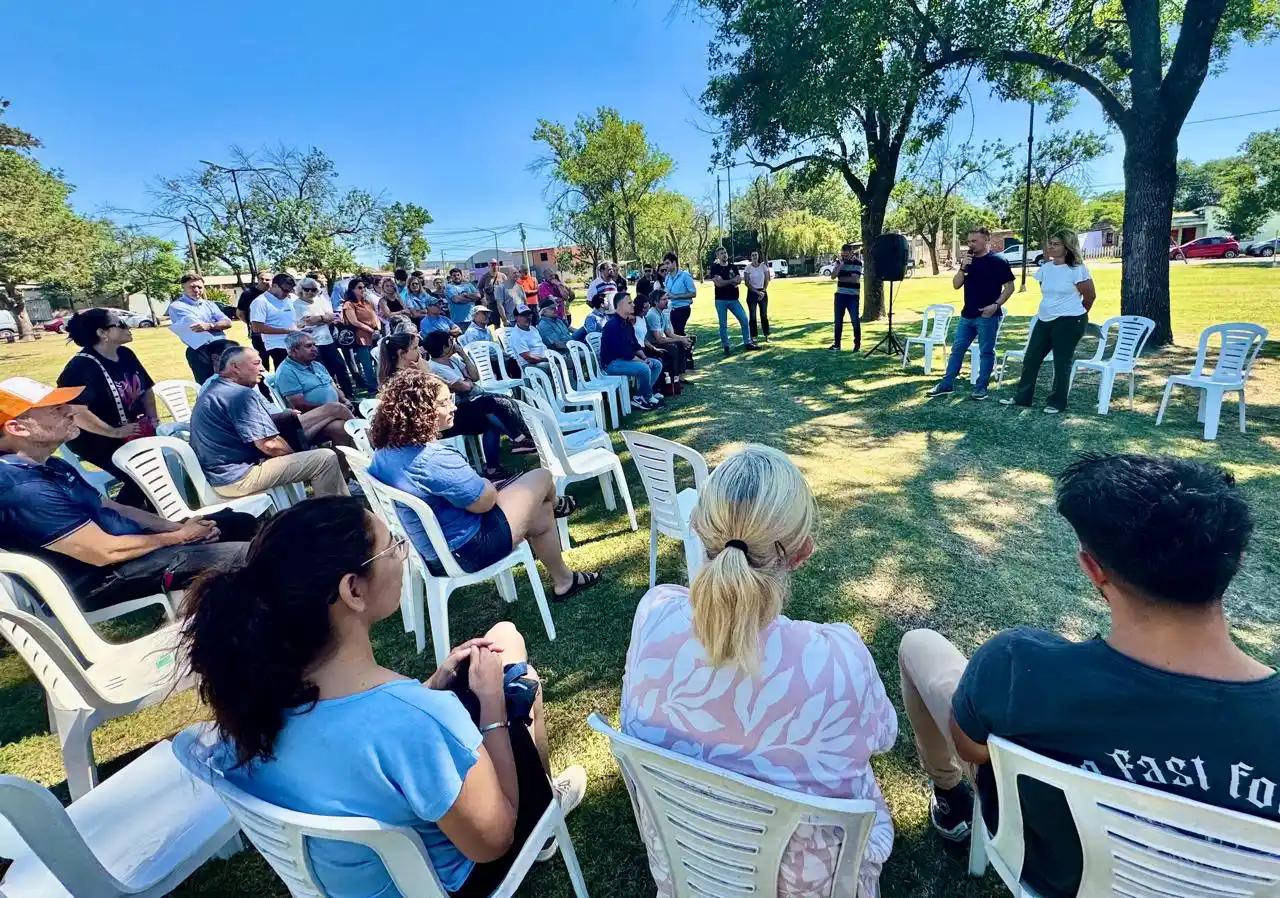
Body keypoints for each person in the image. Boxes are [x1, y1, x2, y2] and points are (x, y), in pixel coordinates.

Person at [899, 452, 1276, 898]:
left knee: (918, 645)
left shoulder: (1018, 666)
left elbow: (971, 749)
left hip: (1054, 874)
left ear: (1093, 568)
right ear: (1239, 558)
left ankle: (950, 798)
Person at [179, 497, 588, 898]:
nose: (402, 554)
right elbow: (493, 841)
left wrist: (430, 688)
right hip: (451, 881)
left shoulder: (251, 707)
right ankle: (545, 814)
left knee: (503, 636)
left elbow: (360, 740)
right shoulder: (419, 723)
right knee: (518, 672)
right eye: (392, 546)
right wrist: (492, 703)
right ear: (353, 590)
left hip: (352, 879)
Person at [622, 444, 897, 897]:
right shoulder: (840, 662)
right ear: (802, 552)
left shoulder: (653, 616)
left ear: (700, 531)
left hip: (689, 871)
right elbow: (884, 738)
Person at [0, 376, 249, 613]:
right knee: (246, 556)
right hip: (100, 579)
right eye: (56, 409)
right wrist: (180, 538)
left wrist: (178, 528)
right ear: (17, 428)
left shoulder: (52, 464)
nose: (70, 411)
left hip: (130, 552)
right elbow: (103, 552)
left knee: (238, 522)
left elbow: (114, 507)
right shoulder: (22, 488)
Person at [369, 369, 600, 600]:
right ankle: (559, 503)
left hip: (431, 552)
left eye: (450, 399)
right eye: (443, 403)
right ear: (419, 411)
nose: (453, 407)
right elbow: (484, 503)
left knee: (541, 511)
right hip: (467, 550)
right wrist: (485, 482)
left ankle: (564, 581)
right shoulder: (432, 459)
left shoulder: (384, 453)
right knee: (541, 476)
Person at [190, 346, 349, 500]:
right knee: (324, 459)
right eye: (256, 363)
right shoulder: (239, 395)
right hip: (237, 477)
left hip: (223, 473)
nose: (262, 369)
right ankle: (334, 514)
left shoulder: (217, 387)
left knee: (334, 428)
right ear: (235, 367)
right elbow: (270, 445)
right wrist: (298, 455)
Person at [55, 308, 159, 509]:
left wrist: (153, 420)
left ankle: (141, 514)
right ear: (102, 333)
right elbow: (75, 411)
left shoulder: (125, 354)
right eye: (121, 324)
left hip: (128, 431)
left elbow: (146, 389)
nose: (128, 328)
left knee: (152, 473)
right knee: (140, 477)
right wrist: (114, 432)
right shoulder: (81, 368)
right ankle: (122, 516)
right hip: (93, 438)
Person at [1001, 228, 1096, 414]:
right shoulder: (1046, 268)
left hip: (1069, 322)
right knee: (1031, 358)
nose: (1051, 247)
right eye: (1050, 243)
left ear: (1067, 247)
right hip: (1044, 319)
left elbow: (1090, 297)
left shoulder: (1078, 270)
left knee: (1061, 362)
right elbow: (1046, 291)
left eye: (1056, 244)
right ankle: (1022, 397)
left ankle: (1057, 402)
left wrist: (1075, 315)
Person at [420, 331, 535, 478]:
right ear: (444, 348)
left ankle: (493, 470)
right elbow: (465, 387)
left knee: (493, 418)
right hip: (456, 413)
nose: (454, 343)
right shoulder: (436, 368)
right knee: (491, 403)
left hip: (471, 403)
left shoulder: (453, 360)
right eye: (450, 341)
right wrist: (466, 381)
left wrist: (464, 355)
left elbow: (474, 377)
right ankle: (520, 439)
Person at [928, 227, 1016, 401]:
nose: (970, 244)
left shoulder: (998, 261)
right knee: (957, 350)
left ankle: (981, 387)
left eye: (974, 241)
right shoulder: (968, 262)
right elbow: (956, 285)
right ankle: (946, 384)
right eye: (969, 241)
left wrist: (996, 305)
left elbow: (1009, 287)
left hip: (987, 316)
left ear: (986, 240)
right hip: (967, 315)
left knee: (986, 352)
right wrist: (962, 268)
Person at [293, 275, 354, 399]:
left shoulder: (320, 300)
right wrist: (323, 318)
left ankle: (349, 396)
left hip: (328, 340)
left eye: (314, 289)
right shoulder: (296, 304)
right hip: (311, 344)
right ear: (300, 289)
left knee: (340, 367)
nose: (310, 292)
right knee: (323, 372)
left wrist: (318, 319)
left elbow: (332, 317)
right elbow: (308, 321)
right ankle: (331, 397)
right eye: (307, 289)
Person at [600, 294, 663, 411]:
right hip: (612, 363)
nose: (633, 305)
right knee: (644, 368)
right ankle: (646, 397)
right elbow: (624, 352)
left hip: (624, 360)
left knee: (657, 364)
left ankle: (641, 396)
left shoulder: (627, 323)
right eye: (629, 303)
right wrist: (643, 362)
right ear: (620, 305)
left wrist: (645, 358)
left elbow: (635, 345)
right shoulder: (613, 325)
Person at [167, 274, 234, 382]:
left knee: (231, 382)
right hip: (200, 350)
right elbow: (196, 325)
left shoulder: (210, 304)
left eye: (200, 287)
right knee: (207, 384)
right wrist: (216, 323)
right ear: (183, 287)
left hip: (221, 347)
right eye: (192, 287)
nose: (196, 290)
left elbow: (228, 322)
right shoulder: (177, 306)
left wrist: (210, 325)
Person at [274, 332, 352, 416]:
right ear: (294, 351)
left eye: (314, 345)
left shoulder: (317, 365)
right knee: (344, 424)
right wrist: (334, 409)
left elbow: (334, 387)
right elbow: (300, 405)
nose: (315, 349)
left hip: (337, 410)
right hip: (316, 417)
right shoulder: (286, 372)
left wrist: (344, 400)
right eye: (308, 346)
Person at [709, 247, 756, 355]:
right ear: (718, 256)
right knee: (723, 325)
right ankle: (726, 346)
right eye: (721, 253)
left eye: (725, 252)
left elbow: (738, 280)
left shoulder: (733, 267)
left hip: (734, 299)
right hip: (721, 300)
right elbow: (719, 284)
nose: (724, 254)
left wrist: (727, 281)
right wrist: (731, 281)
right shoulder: (715, 268)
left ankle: (748, 342)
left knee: (744, 319)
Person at [250, 273, 302, 370]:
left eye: (290, 290)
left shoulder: (288, 298)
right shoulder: (260, 302)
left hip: (294, 343)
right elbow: (257, 328)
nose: (287, 293)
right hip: (277, 346)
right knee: (285, 374)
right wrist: (287, 331)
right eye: (285, 290)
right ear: (274, 286)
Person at [644, 291, 689, 394]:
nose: (667, 301)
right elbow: (659, 339)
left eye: (667, 299)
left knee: (682, 344)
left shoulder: (663, 314)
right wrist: (681, 339)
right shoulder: (652, 314)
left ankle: (678, 376)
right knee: (673, 347)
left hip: (658, 342)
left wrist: (684, 338)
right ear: (655, 302)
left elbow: (669, 333)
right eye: (663, 299)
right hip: (650, 345)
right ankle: (672, 379)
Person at [341, 280, 380, 394]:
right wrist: (370, 330)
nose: (363, 289)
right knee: (367, 364)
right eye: (359, 287)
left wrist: (377, 329)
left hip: (374, 335)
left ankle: (379, 383)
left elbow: (375, 316)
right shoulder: (349, 304)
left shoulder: (366, 301)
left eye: (364, 287)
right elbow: (354, 321)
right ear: (352, 289)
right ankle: (372, 387)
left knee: (377, 361)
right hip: (361, 337)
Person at [661, 252, 697, 356]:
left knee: (678, 332)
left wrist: (676, 296)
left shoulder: (685, 276)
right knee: (676, 332)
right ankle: (687, 350)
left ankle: (686, 354)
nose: (666, 266)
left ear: (674, 263)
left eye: (668, 263)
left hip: (683, 308)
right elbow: (668, 292)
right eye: (665, 263)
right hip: (672, 308)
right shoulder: (667, 278)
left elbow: (693, 293)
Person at [829, 243, 862, 351]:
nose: (844, 257)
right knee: (838, 321)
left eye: (846, 255)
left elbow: (855, 279)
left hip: (853, 296)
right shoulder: (839, 262)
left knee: (854, 320)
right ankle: (837, 344)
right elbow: (833, 276)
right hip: (840, 295)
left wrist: (842, 276)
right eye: (843, 255)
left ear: (851, 253)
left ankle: (857, 345)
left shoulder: (858, 262)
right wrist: (840, 266)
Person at [236, 270, 272, 359]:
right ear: (258, 280)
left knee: (279, 359)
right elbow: (240, 313)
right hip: (258, 334)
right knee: (262, 360)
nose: (264, 281)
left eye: (267, 279)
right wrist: (252, 324)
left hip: (275, 333)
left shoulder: (275, 294)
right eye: (261, 279)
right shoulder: (248, 294)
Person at [506, 305, 550, 373]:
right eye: (524, 315)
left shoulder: (533, 329)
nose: (528, 317)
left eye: (529, 314)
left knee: (565, 361)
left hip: (545, 359)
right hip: (530, 366)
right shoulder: (516, 335)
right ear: (516, 317)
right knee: (557, 366)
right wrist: (546, 360)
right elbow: (528, 358)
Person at [743, 251, 772, 343]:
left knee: (764, 315)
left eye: (756, 255)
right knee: (753, 315)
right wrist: (756, 292)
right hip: (752, 293)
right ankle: (754, 336)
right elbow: (747, 282)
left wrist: (763, 291)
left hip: (762, 292)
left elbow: (767, 279)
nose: (754, 256)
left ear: (758, 256)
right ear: (750, 257)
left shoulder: (763, 266)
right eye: (753, 255)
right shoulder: (748, 267)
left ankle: (766, 335)